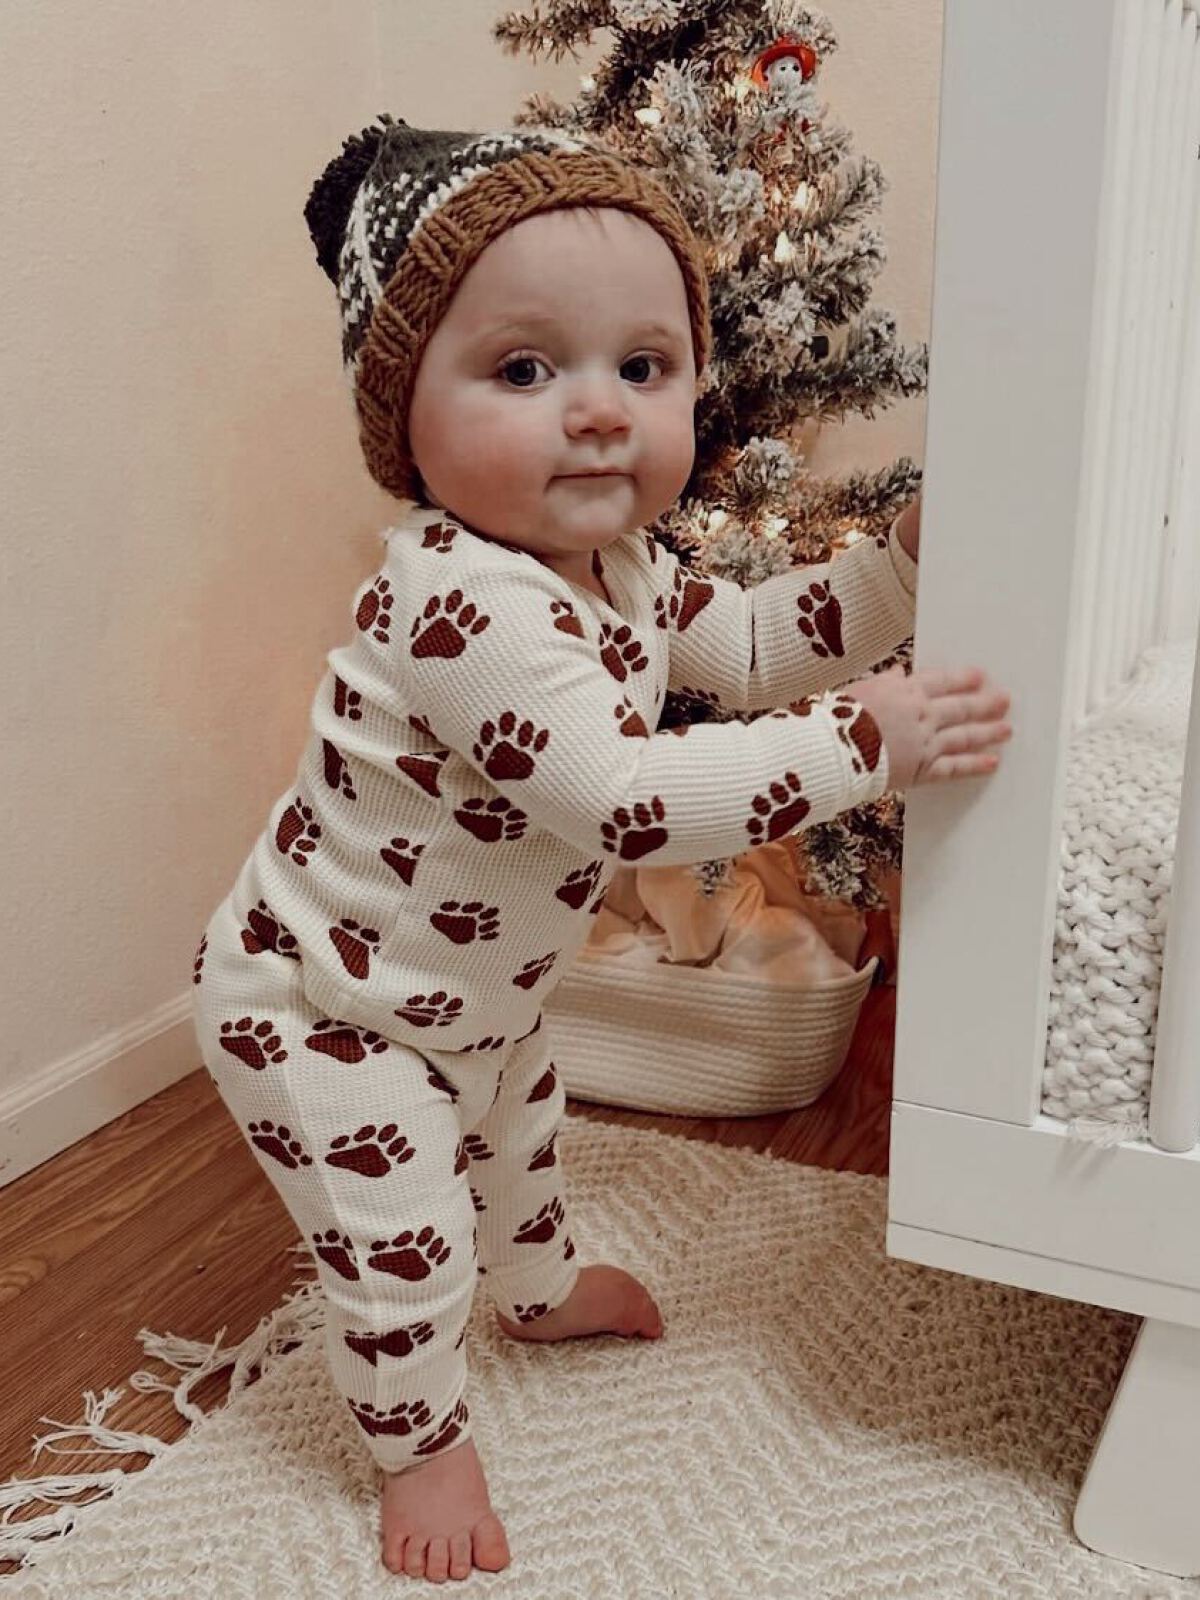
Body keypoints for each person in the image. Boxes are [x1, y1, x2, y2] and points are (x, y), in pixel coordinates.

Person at [190, 114, 1012, 1584]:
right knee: (403, 1238)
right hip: (319, 1008)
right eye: (523, 370)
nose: (596, 412)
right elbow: (627, 799)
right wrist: (861, 745)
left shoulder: (616, 564)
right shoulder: (464, 609)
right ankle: (421, 1445)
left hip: (470, 996)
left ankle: (542, 1289)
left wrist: (898, 565)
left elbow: (756, 641)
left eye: (642, 368)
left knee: (520, 1137)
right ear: (405, 415)